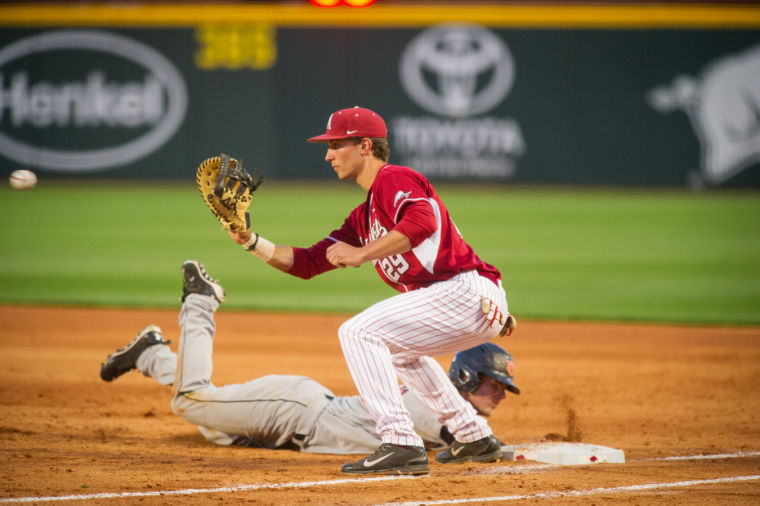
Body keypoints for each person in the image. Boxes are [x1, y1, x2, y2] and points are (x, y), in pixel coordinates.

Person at [225, 106, 516, 475]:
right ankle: (473, 435)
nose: (328, 155)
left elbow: (422, 221)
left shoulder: (393, 178)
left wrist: (362, 254)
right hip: (462, 296)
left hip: (464, 292)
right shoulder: (362, 218)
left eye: (335, 144)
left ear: (365, 145)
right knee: (399, 352)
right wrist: (250, 241)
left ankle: (400, 442)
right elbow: (308, 262)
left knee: (358, 332)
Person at [99, 259, 521, 459]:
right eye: (494, 384)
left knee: (213, 416)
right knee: (191, 400)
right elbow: (463, 443)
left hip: (290, 425)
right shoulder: (430, 402)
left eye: (503, 388)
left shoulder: (443, 403)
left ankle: (151, 353)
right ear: (465, 376)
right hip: (293, 413)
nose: (501, 394)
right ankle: (200, 304)